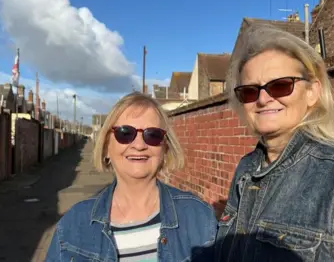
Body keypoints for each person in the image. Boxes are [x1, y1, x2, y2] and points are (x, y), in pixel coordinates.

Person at [214, 24, 334, 261]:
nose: (263, 99)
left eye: (280, 85)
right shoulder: (247, 168)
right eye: (250, 91)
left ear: (312, 92)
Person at [45, 92, 217, 262]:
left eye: (153, 135)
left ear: (165, 148)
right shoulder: (72, 225)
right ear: (106, 147)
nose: (139, 145)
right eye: (125, 133)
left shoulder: (199, 217)